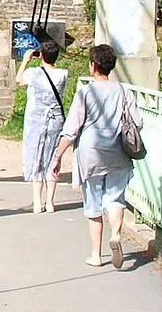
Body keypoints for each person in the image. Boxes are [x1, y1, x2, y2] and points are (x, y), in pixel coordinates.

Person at [54, 43, 136, 269]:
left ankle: (96, 255)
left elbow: (71, 129)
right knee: (115, 199)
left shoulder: (85, 93)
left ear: (93, 65)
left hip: (90, 154)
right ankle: (116, 235)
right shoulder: (124, 92)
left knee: (93, 204)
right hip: (118, 152)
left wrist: (58, 156)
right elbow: (137, 123)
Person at [15, 35, 70, 214]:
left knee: (36, 157)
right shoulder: (63, 74)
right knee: (53, 158)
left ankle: (37, 202)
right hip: (55, 119)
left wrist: (25, 60)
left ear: (41, 55)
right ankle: (51, 202)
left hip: (35, 120)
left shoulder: (34, 73)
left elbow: (18, 80)